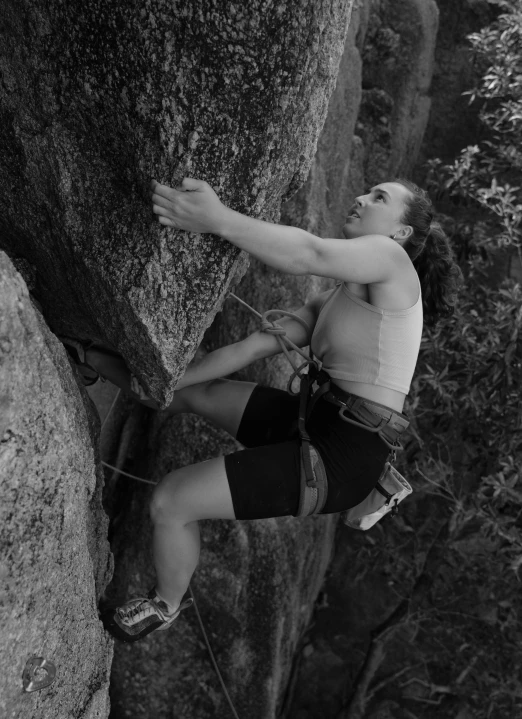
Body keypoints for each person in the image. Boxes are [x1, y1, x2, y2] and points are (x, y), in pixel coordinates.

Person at [64, 177, 461, 642]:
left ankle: (165, 604)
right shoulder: (333, 298)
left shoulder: (393, 264)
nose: (361, 198)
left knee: (171, 501)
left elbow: (308, 253)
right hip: (315, 419)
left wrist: (217, 219)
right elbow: (251, 348)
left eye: (380, 199)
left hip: (341, 459)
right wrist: (166, 379)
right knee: (195, 393)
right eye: (368, 191)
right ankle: (85, 354)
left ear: (401, 235)